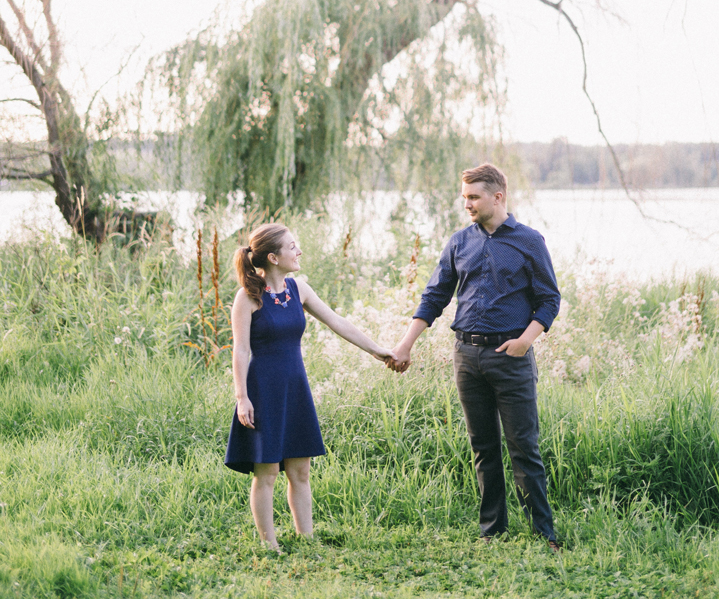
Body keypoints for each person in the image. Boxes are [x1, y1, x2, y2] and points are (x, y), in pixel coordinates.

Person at [388, 163, 561, 548]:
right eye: (464, 196)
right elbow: (434, 297)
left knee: (523, 448)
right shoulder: (458, 242)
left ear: (497, 197)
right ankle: (492, 531)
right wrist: (405, 344)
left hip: (510, 356)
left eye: (473, 197)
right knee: (483, 447)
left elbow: (550, 299)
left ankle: (544, 533)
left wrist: (526, 341)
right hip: (466, 355)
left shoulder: (529, 241)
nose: (466, 203)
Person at [225, 222, 392, 550]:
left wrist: (377, 350)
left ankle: (307, 538)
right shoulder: (248, 297)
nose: (299, 251)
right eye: (292, 247)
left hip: (295, 388)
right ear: (273, 257)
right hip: (262, 391)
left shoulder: (298, 288)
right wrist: (242, 397)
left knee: (301, 470)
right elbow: (240, 350)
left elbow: (337, 322)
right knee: (268, 472)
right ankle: (268, 544)